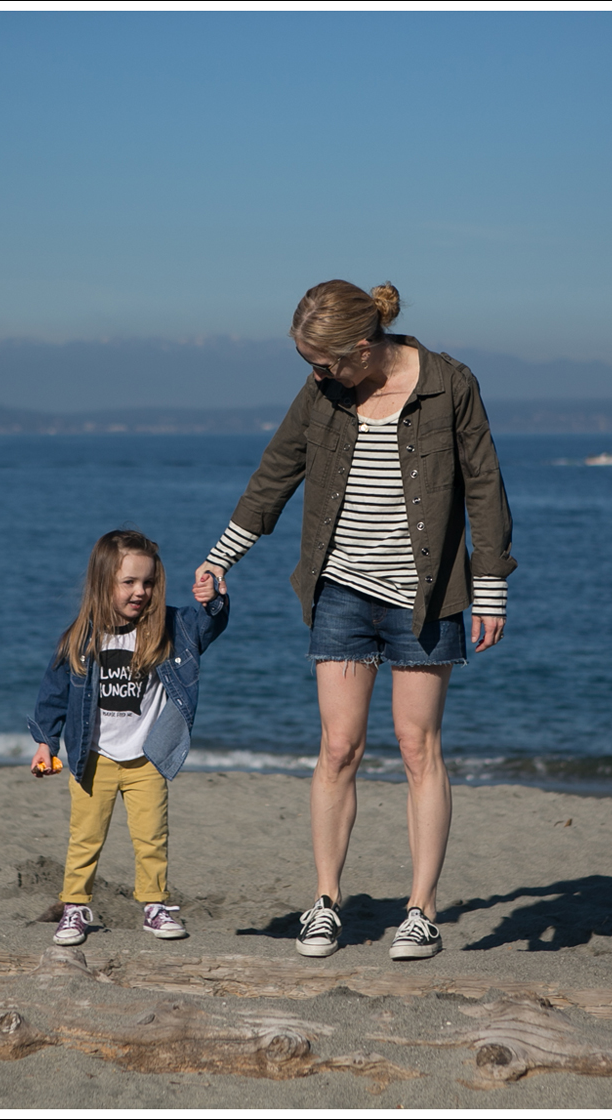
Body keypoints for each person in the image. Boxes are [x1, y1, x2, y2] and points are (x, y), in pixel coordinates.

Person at [196, 280, 515, 961]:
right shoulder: (323, 395)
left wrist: (490, 589)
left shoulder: (449, 384)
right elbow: (275, 474)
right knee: (338, 748)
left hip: (425, 596)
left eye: (324, 363)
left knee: (416, 747)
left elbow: (484, 482)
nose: (315, 375)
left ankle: (421, 913)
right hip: (339, 589)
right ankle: (326, 902)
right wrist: (221, 558)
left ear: (362, 348)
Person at [29, 529, 228, 947]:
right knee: (84, 837)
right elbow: (54, 693)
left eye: (149, 582)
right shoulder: (80, 638)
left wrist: (214, 601)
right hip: (93, 757)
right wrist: (45, 741)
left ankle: (154, 906)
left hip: (147, 757)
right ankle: (74, 907)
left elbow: (209, 626)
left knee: (152, 836)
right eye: (129, 582)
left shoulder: (173, 627)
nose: (141, 592)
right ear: (104, 583)